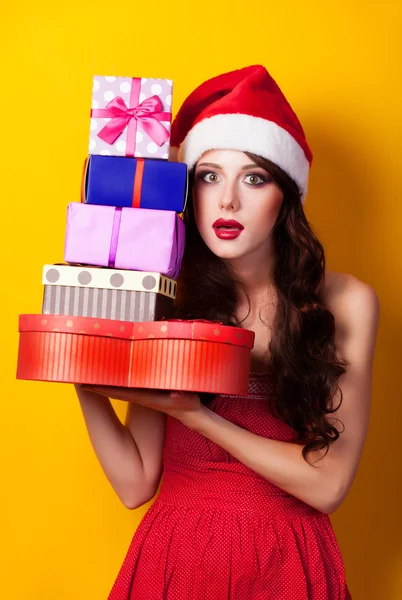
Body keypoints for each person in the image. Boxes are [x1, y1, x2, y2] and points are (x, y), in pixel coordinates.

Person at [75, 65, 380, 599]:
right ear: (190, 190)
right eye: (209, 176)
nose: (228, 202)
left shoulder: (345, 302)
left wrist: (196, 414)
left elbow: (328, 484)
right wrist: (82, 371)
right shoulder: (167, 297)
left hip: (286, 562)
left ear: (285, 195)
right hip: (174, 560)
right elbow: (135, 484)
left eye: (254, 178)